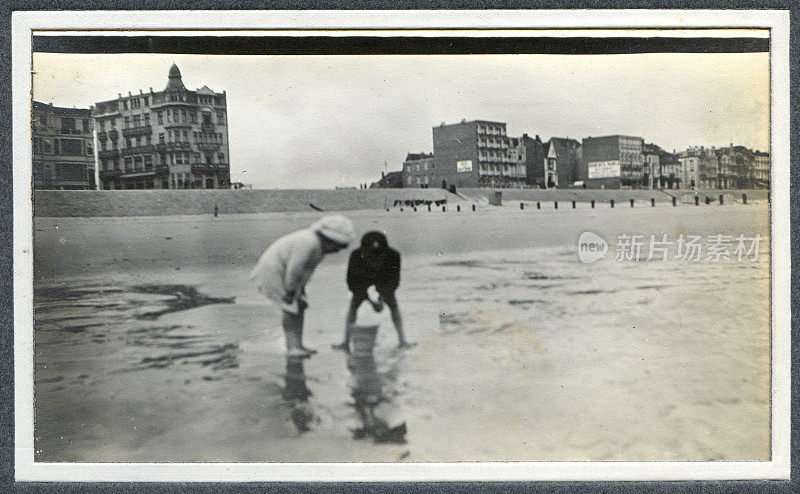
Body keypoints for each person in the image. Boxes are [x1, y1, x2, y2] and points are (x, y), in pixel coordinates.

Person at [250, 215, 355, 358]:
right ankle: (293, 347)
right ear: (329, 239)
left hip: (286, 275)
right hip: (273, 273)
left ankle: (298, 345)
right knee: (290, 307)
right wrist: (291, 291)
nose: (338, 250)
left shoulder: (319, 246)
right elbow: (295, 269)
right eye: (338, 246)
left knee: (299, 306)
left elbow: (306, 272)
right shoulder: (309, 241)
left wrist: (301, 291)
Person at [333, 231, 413, 352]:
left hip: (383, 279)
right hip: (363, 279)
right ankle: (345, 342)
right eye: (370, 257)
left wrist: (382, 298)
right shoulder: (356, 256)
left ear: (385, 253)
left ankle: (402, 341)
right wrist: (370, 300)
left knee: (393, 305)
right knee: (353, 306)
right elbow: (353, 283)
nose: (374, 261)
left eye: (378, 257)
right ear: (364, 252)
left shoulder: (393, 256)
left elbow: (393, 281)